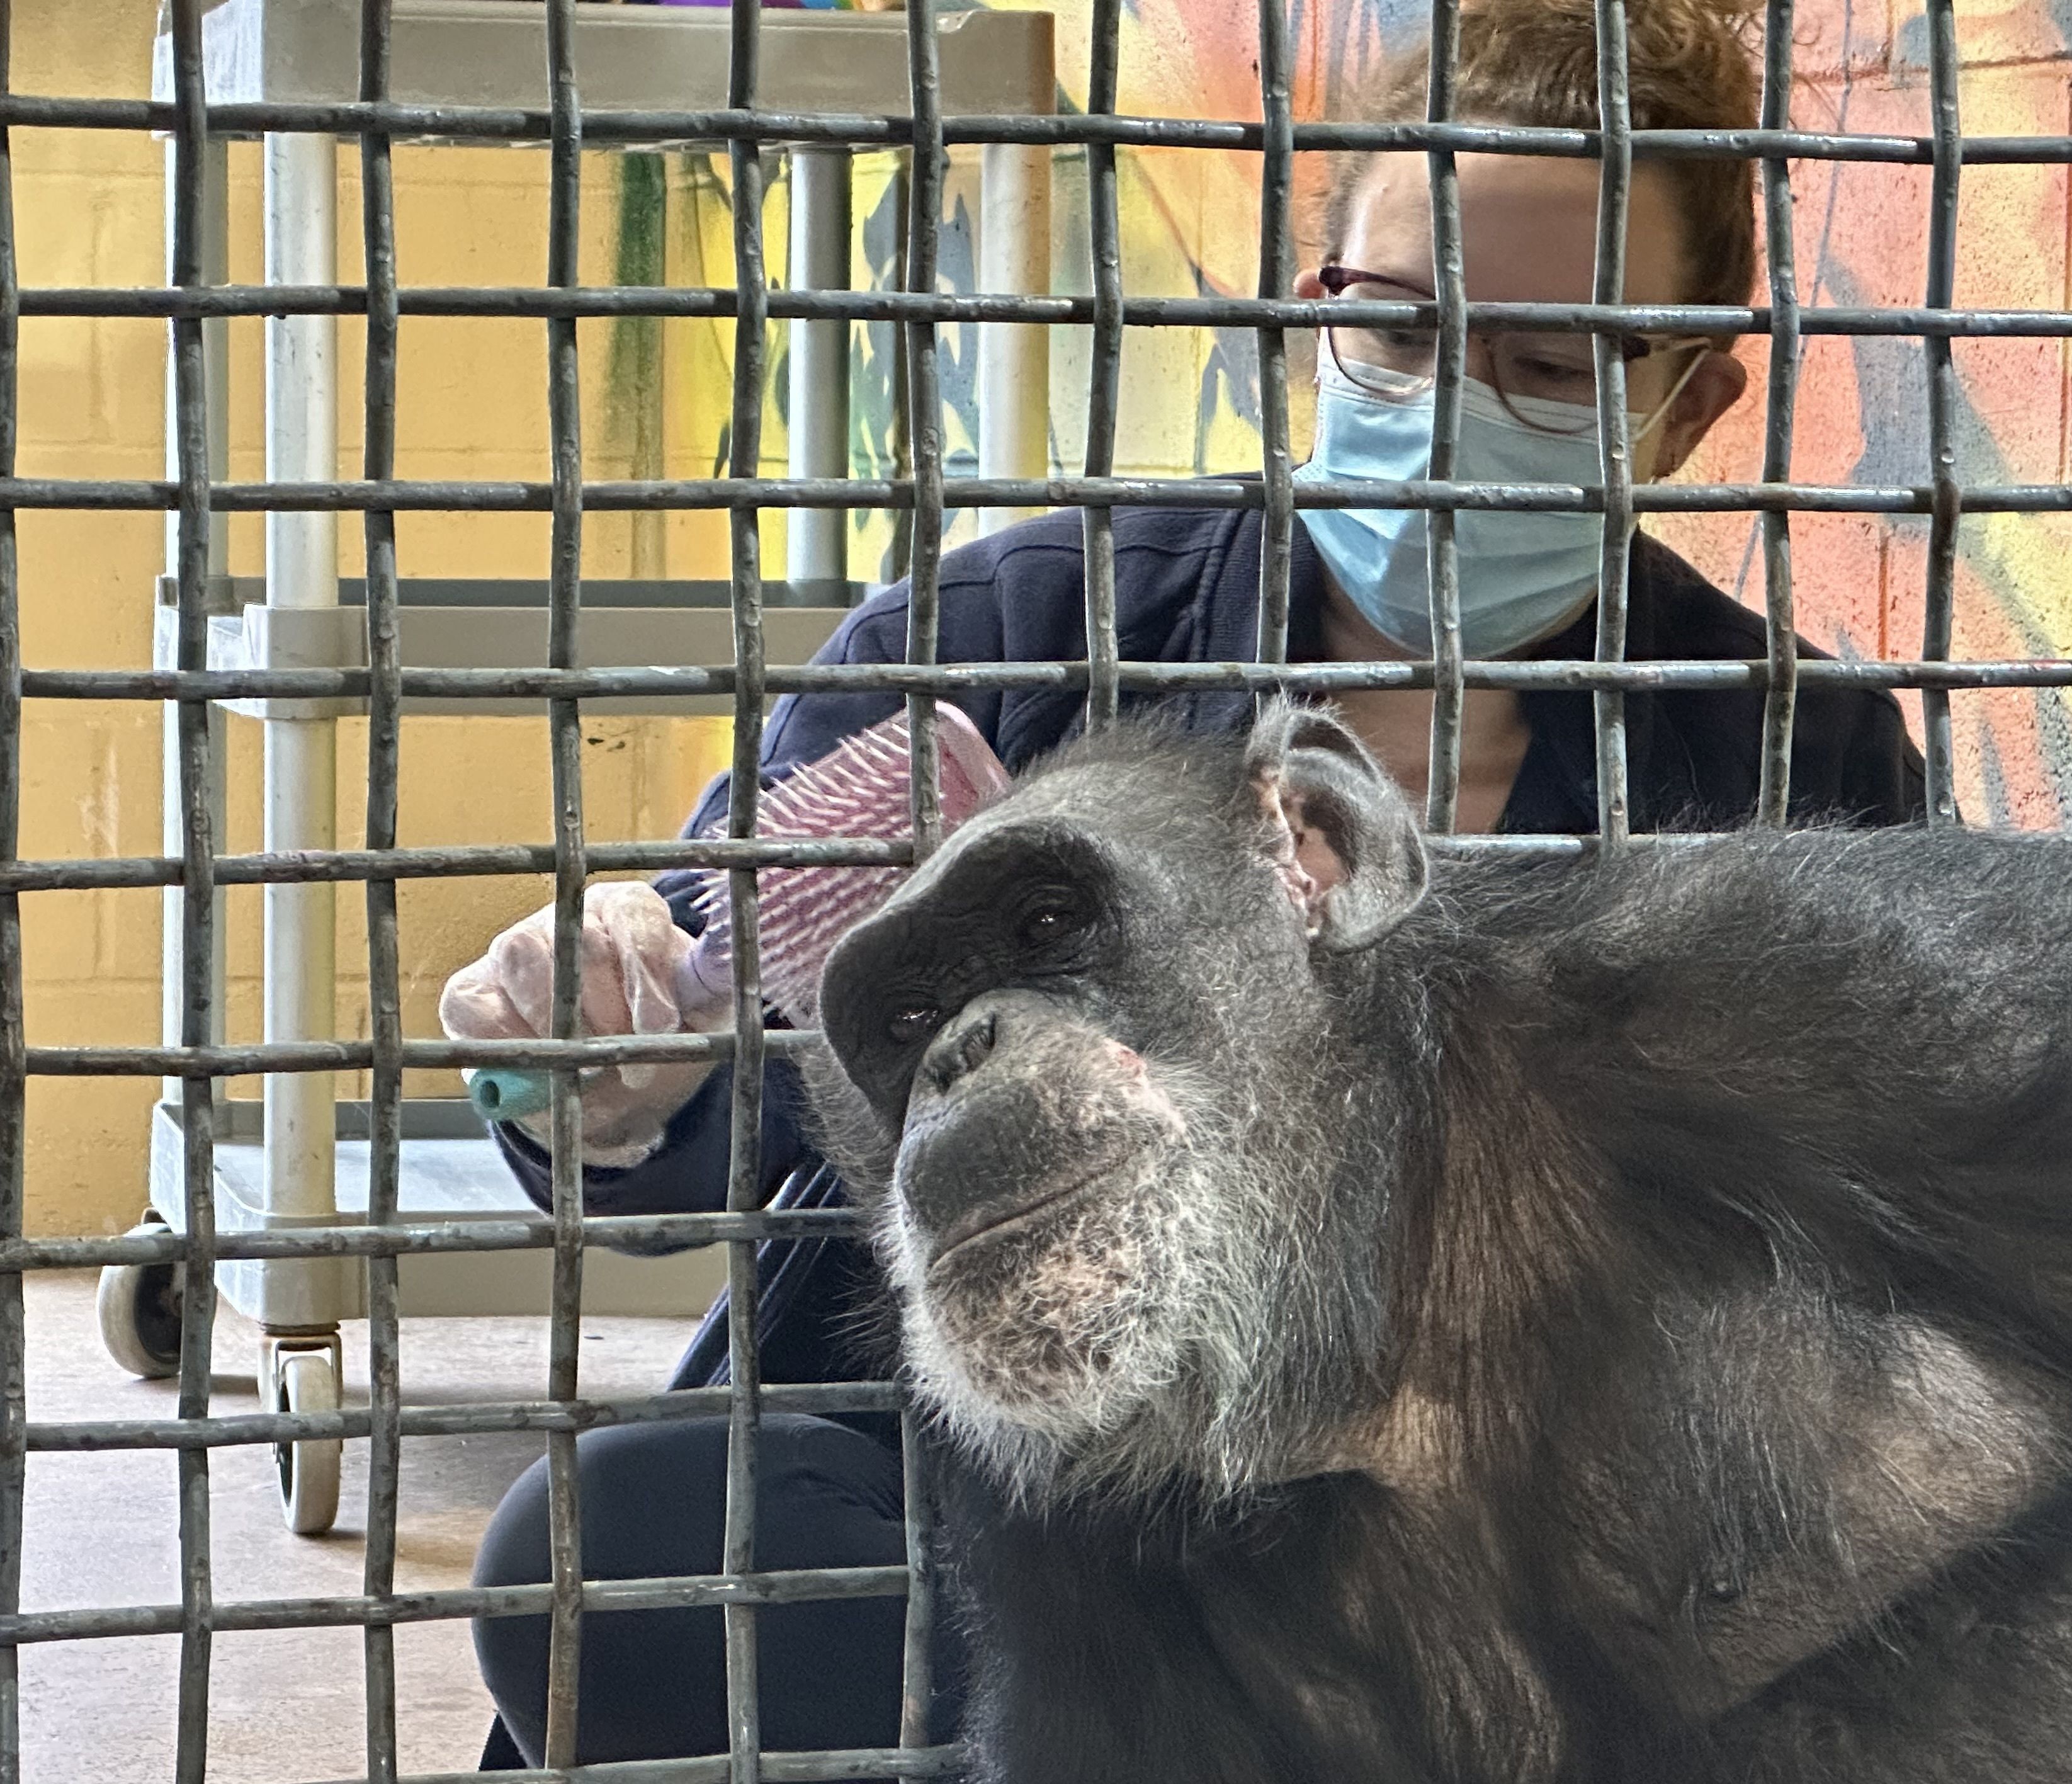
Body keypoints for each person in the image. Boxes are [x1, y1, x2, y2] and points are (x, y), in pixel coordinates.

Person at [445, 0, 1925, 1766]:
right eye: (1398, 332)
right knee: (608, 1561)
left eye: (1555, 364)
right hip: (989, 1507)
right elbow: (721, 1060)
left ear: (1688, 398)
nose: (1455, 411)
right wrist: (606, 1068)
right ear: (1312, 323)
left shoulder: (1789, 763)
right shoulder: (1005, 645)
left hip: (1477, 1560)